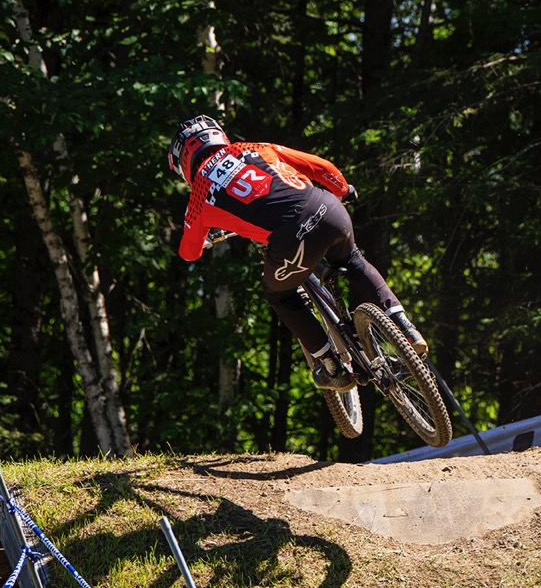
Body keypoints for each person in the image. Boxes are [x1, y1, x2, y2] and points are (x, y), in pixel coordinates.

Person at [168, 115, 425, 391]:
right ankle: (404, 325)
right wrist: (343, 189)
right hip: (329, 209)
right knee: (353, 260)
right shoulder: (252, 147)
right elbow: (318, 165)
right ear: (219, 135)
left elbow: (189, 253)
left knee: (278, 294)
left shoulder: (199, 196)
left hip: (292, 240)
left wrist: (205, 238)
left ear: (184, 162)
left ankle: (332, 366)